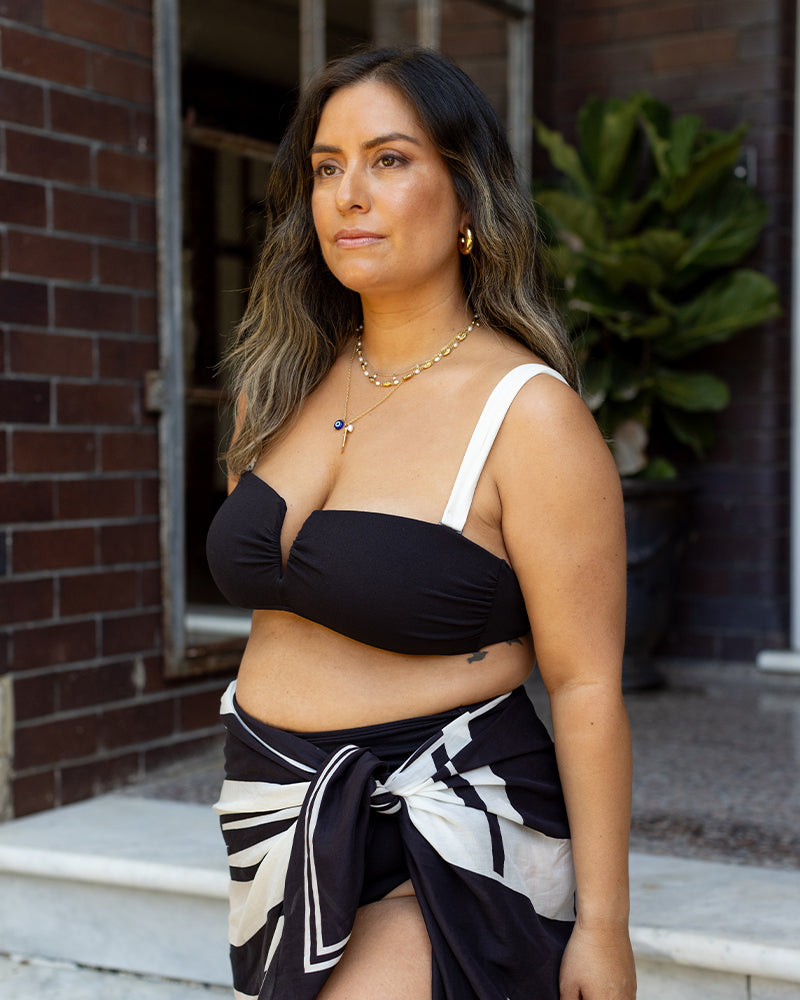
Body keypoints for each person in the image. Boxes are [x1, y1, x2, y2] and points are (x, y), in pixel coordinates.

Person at [207, 46, 636, 1000]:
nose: (348, 194)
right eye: (327, 166)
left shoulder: (529, 414)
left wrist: (604, 926)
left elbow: (585, 684)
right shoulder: (278, 383)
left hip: (442, 819)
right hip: (277, 812)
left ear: (469, 198)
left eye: (390, 159)